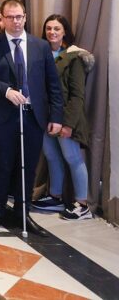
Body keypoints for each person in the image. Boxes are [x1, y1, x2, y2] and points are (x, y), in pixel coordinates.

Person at [0, 0, 63, 234]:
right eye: (10, 17)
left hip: (33, 117)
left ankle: (23, 214)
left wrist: (56, 116)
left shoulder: (40, 46)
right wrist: (5, 91)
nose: (15, 21)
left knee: (28, 168)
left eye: (19, 17)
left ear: (25, 17)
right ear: (2, 19)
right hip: (3, 118)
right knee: (2, 165)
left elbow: (53, 84)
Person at [33, 14, 91, 220]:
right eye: (48, 28)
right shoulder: (40, 53)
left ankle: (82, 204)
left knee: (73, 158)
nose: (52, 32)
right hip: (45, 118)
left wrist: (68, 124)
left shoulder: (74, 57)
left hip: (66, 119)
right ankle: (55, 197)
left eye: (57, 28)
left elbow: (78, 95)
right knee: (52, 157)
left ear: (64, 31)